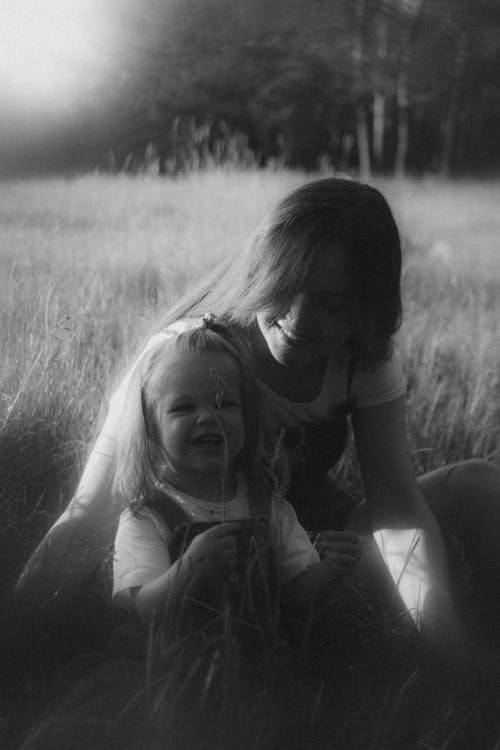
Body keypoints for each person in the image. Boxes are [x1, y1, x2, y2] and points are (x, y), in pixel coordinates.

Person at [17, 177, 500, 669]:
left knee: (481, 485)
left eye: (331, 302)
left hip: (313, 567)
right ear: (264, 271)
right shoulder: (189, 354)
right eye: (287, 287)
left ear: (366, 305)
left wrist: (447, 660)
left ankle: (461, 657)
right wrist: (19, 629)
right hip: (209, 578)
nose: (299, 318)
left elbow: (398, 512)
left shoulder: (363, 359)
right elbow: (89, 513)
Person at [110, 317, 360, 629]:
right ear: (151, 428)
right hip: (169, 671)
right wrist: (188, 570)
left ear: (247, 417)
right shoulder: (148, 518)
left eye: (224, 403)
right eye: (184, 408)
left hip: (257, 668)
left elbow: (293, 600)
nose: (207, 417)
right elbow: (143, 611)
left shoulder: (269, 507)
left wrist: (330, 571)